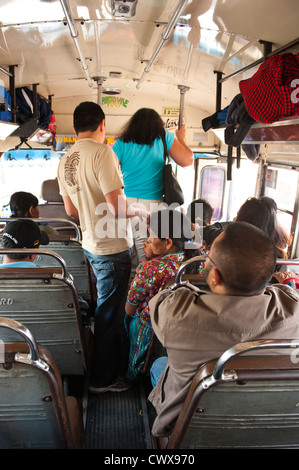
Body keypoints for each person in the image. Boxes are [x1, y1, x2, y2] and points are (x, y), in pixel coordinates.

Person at [148, 222, 299, 437]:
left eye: (209, 257)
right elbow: (283, 291)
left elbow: (160, 300)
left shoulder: (177, 313)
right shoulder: (293, 310)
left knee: (159, 364)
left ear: (214, 276)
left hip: (189, 431)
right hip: (270, 428)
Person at [57, 101, 148, 393]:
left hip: (90, 245)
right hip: (112, 247)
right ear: (102, 124)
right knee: (110, 316)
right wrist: (140, 212)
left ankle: (101, 367)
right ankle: (103, 380)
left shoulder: (65, 159)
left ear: (74, 128)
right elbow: (118, 207)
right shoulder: (103, 153)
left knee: (103, 309)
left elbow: (71, 212)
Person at [124, 208, 208, 382]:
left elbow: (130, 308)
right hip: (194, 322)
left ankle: (133, 374)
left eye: (151, 236)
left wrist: (148, 260)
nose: (147, 240)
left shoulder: (151, 268)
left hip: (155, 326)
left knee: (129, 320)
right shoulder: (202, 259)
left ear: (168, 243)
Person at [112, 108, 194, 263]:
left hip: (127, 205)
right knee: (149, 257)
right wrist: (180, 138)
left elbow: (109, 172)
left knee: (131, 254)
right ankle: (146, 284)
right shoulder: (164, 138)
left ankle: (136, 284)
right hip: (154, 207)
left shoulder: (121, 143)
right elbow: (188, 160)